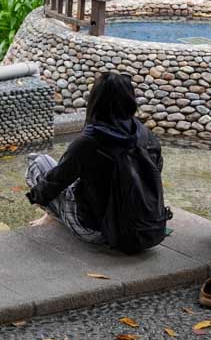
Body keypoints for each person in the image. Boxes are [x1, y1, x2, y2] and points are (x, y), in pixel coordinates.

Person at [26, 71, 170, 251]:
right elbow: (156, 171)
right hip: (146, 228)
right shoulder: (145, 135)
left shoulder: (89, 142)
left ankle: (52, 214)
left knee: (37, 161)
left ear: (95, 99)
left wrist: (35, 197)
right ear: (130, 99)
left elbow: (55, 181)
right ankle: (54, 212)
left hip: (97, 231)